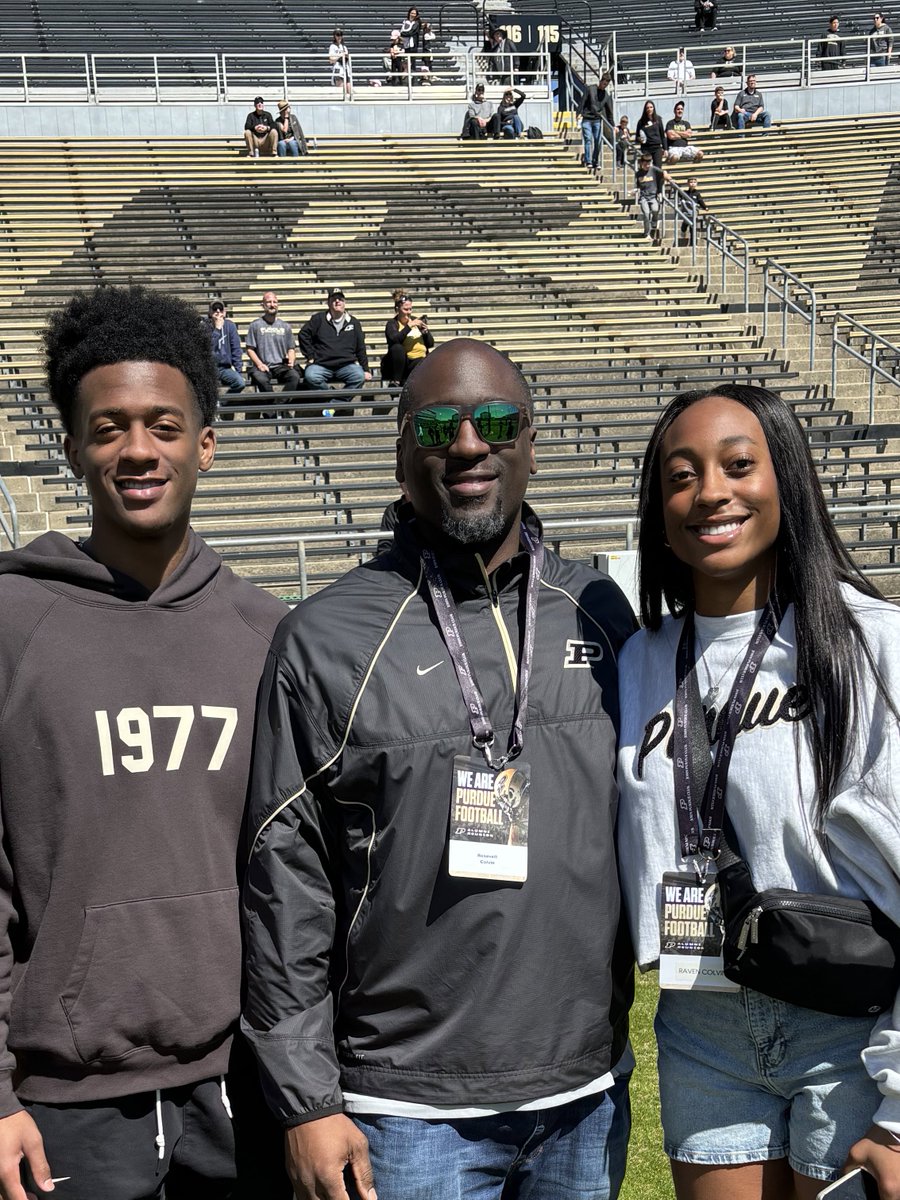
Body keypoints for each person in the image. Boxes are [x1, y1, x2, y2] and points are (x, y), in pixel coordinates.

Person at [242, 337, 636, 1200]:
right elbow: (285, 885)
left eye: (496, 421)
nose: (467, 445)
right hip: (403, 1109)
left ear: (531, 442)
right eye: (437, 426)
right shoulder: (325, 637)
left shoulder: (603, 614)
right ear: (401, 451)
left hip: (586, 1095)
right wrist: (306, 1101)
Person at [0, 284, 290, 1200]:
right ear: (75, 445)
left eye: (164, 425)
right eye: (110, 427)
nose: (138, 450)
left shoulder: (269, 636)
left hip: (238, 1081)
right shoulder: (13, 623)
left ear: (205, 443)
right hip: (59, 1102)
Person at [616, 381, 900, 1200]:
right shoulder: (637, 661)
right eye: (680, 475)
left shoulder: (868, 647)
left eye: (739, 465)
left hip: (850, 1024)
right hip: (700, 1023)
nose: (710, 492)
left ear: (789, 480)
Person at [299, 289, 371, 410]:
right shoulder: (318, 319)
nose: (337, 301)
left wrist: (365, 369)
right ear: (328, 303)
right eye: (334, 299)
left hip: (346, 365)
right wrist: (310, 355)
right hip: (322, 364)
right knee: (311, 376)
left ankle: (334, 403)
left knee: (359, 376)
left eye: (340, 299)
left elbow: (360, 347)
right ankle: (333, 396)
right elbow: (303, 335)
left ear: (345, 303)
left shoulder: (354, 322)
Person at [245, 291, 301, 405]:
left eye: (274, 302)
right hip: (263, 366)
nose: (272, 304)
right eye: (269, 302)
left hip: (280, 366)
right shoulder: (255, 325)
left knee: (294, 376)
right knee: (260, 379)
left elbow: (291, 348)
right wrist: (260, 364)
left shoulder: (285, 326)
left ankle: (278, 406)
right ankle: (274, 409)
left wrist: (291, 360)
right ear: (263, 305)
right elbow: (250, 349)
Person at [381, 290, 434, 387]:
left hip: (419, 359)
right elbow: (395, 339)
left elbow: (430, 344)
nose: (409, 312)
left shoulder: (416, 321)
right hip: (404, 363)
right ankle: (396, 381)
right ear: (398, 309)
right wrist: (408, 327)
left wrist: (425, 333)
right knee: (397, 348)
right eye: (406, 309)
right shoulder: (392, 324)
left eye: (410, 309)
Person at [203, 299, 245, 414]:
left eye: (220, 309)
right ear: (210, 312)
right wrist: (217, 329)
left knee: (240, 382)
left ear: (224, 312)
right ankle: (208, 410)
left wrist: (238, 370)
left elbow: (236, 348)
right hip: (208, 368)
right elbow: (207, 348)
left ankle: (223, 403)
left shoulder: (230, 326)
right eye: (214, 309)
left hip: (224, 367)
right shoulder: (204, 326)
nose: (217, 311)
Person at [577, 73, 615, 171]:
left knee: (598, 141)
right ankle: (588, 160)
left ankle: (595, 160)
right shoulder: (591, 89)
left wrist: (613, 126)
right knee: (588, 139)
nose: (604, 86)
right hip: (587, 118)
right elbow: (583, 101)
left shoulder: (606, 96)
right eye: (603, 83)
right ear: (600, 81)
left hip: (597, 120)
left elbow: (609, 112)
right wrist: (578, 113)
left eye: (606, 85)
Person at [635, 153, 666, 241]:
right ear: (641, 163)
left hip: (653, 196)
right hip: (643, 197)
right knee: (646, 214)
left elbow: (663, 173)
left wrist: (668, 178)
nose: (647, 166)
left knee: (655, 209)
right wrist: (636, 190)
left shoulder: (654, 170)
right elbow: (638, 185)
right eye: (645, 164)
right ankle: (647, 233)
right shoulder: (638, 174)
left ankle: (654, 221)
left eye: (649, 164)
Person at [636, 99, 667, 170]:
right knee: (646, 169)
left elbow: (662, 135)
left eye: (651, 107)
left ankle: (658, 181)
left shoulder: (658, 119)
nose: (649, 109)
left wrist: (665, 149)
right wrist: (640, 139)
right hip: (646, 148)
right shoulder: (641, 122)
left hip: (657, 148)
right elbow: (637, 137)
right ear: (645, 109)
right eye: (647, 108)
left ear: (654, 108)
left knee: (658, 169)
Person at [679, 175, 708, 243]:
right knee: (685, 223)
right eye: (691, 182)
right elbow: (679, 193)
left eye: (694, 182)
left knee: (693, 227)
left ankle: (693, 242)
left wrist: (705, 207)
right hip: (686, 211)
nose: (693, 183)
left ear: (696, 184)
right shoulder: (685, 193)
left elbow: (700, 201)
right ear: (688, 184)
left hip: (693, 212)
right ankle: (683, 231)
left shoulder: (697, 193)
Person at [400, 6, 421, 78]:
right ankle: (405, 77)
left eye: (414, 13)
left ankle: (413, 78)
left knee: (412, 62)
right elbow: (402, 30)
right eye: (412, 13)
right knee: (406, 62)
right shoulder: (405, 21)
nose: (413, 15)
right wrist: (403, 34)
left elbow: (411, 32)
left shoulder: (417, 23)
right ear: (409, 13)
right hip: (406, 44)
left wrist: (403, 34)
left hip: (413, 45)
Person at [329, 29, 352, 96]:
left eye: (341, 35)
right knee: (340, 91)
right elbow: (331, 60)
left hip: (346, 69)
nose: (339, 37)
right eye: (337, 35)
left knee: (349, 90)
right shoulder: (332, 47)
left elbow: (348, 58)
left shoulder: (344, 47)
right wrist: (339, 56)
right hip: (338, 69)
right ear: (334, 36)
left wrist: (346, 56)